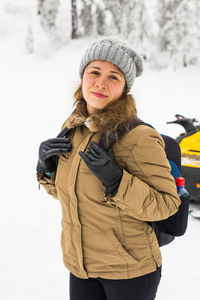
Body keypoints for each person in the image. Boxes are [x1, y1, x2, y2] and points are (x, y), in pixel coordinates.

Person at [36, 37, 181, 300]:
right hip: (80, 266)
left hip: (130, 271)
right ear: (83, 77)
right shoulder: (75, 127)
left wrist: (117, 181)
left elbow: (167, 204)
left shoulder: (139, 137)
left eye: (114, 76)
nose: (101, 82)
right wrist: (46, 170)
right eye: (94, 72)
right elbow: (73, 194)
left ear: (125, 88)